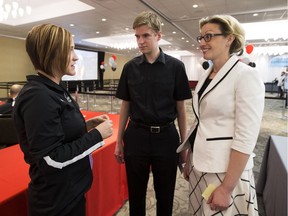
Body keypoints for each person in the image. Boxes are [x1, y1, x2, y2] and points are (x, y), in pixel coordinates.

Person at [13, 24, 113, 216]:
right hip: (55, 204)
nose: (76, 57)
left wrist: (85, 126)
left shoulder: (53, 89)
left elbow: (60, 133)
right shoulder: (38, 96)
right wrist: (97, 136)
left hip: (69, 194)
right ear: (52, 52)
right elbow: (51, 159)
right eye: (70, 49)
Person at [177, 15, 264, 215]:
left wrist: (226, 188)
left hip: (226, 172)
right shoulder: (207, 75)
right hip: (201, 163)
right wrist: (191, 156)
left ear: (229, 39)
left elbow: (246, 136)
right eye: (200, 37)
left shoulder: (245, 75)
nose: (202, 43)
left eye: (208, 36)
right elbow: (202, 121)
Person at [114, 11, 192, 216]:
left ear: (158, 35)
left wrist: (184, 145)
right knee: (136, 195)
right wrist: (118, 141)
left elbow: (181, 109)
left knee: (165, 195)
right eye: (137, 36)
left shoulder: (176, 67)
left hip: (166, 138)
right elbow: (125, 106)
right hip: (136, 136)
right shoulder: (130, 68)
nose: (140, 41)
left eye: (145, 35)